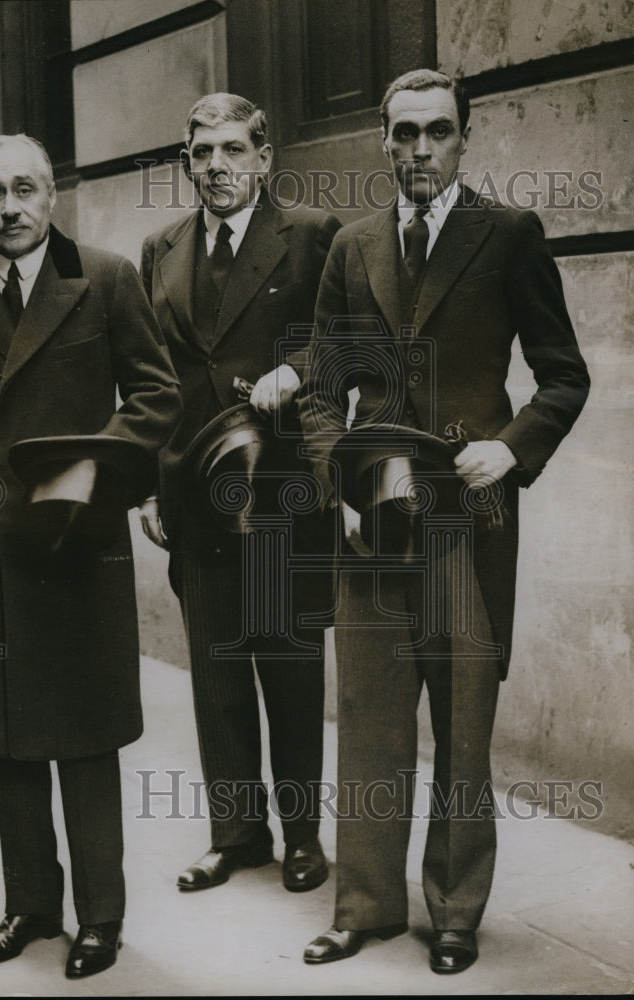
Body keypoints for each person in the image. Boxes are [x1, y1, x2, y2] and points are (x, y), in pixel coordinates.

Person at [298, 69, 590, 974]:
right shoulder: (351, 247)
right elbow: (316, 393)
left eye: (436, 132)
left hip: (469, 519)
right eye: (403, 135)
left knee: (464, 722)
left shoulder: (507, 235)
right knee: (372, 719)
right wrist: (340, 483)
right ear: (382, 143)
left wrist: (508, 449)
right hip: (372, 524)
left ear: (466, 137)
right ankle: (367, 904)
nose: (419, 150)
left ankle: (455, 911)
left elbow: (562, 373)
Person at [0, 134, 181, 979]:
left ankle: (101, 918)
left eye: (25, 188)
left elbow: (156, 393)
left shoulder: (104, 278)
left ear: (52, 194)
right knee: (5, 738)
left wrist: (94, 462)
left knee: (86, 736)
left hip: (75, 539)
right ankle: (29, 907)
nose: (10, 208)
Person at [140, 93, 341, 894]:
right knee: (216, 673)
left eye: (232, 150)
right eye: (201, 153)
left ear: (264, 157)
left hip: (280, 489)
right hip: (194, 493)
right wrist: (152, 487)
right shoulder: (161, 247)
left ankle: (300, 835)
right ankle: (236, 834)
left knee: (289, 671)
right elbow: (152, 376)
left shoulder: (313, 237)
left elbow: (357, 339)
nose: (216, 166)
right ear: (187, 162)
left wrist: (303, 368)